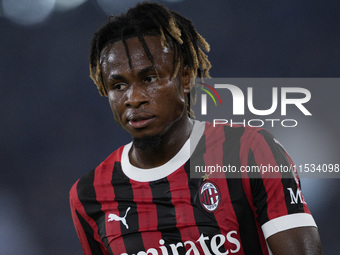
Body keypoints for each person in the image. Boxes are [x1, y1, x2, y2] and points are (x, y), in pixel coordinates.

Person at [69, 2, 323, 254]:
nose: (133, 98)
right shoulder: (88, 196)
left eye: (149, 79)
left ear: (186, 78)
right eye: (118, 86)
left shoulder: (249, 151)